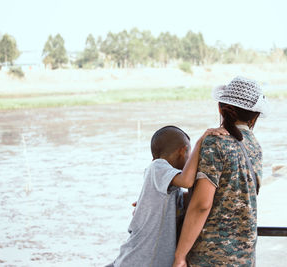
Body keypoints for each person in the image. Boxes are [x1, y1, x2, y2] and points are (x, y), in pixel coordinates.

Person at [173, 76, 268, 267]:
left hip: (210, 256)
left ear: (220, 108)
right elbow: (231, 195)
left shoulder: (214, 143)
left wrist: (180, 256)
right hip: (245, 257)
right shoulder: (255, 146)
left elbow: (202, 204)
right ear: (255, 116)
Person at [106, 125, 228, 267]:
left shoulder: (167, 185)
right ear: (183, 151)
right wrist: (200, 143)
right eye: (189, 155)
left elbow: (191, 198)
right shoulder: (157, 166)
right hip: (139, 260)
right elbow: (187, 181)